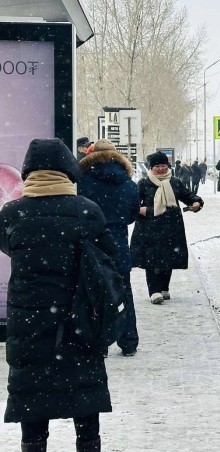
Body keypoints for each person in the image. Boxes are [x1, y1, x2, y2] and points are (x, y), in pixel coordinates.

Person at [0, 138, 115, 452]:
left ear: (27, 172)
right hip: (79, 322)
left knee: (33, 409)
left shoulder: (11, 213)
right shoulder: (87, 211)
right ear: (69, 170)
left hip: (29, 326)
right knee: (85, 403)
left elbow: (8, 247)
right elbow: (109, 256)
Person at [77, 139, 140, 357]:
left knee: (92, 293)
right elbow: (132, 216)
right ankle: (129, 340)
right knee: (124, 292)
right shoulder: (129, 183)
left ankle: (99, 343)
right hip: (119, 243)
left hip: (91, 243)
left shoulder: (82, 181)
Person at [130, 151, 204, 304]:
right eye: (157, 166)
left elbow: (187, 195)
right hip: (149, 228)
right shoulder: (143, 183)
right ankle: (154, 291)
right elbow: (133, 204)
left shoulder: (175, 182)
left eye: (163, 165)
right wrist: (143, 210)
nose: (161, 169)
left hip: (171, 227)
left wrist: (196, 202)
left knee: (167, 258)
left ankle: (164, 287)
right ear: (151, 168)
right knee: (152, 260)